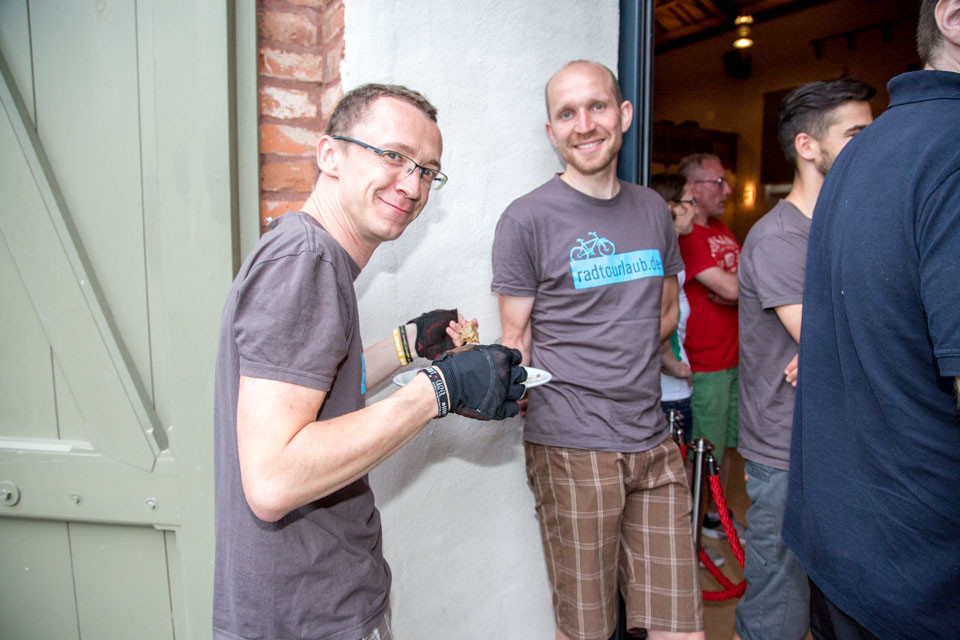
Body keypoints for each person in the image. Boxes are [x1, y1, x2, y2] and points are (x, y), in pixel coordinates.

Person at [212, 83, 526, 640]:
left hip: (318, 599)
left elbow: (313, 393)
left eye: (428, 171)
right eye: (393, 155)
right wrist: (439, 388)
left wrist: (407, 345)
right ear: (329, 155)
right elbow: (273, 479)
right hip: (309, 615)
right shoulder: (305, 261)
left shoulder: (312, 254)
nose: (412, 185)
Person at [491, 60, 704, 640]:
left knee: (681, 628)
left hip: (652, 438)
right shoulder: (526, 219)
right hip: (572, 445)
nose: (584, 124)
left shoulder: (653, 209)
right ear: (551, 131)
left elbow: (665, 310)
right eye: (567, 113)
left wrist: (622, 352)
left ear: (624, 114)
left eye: (597, 106)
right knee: (587, 629)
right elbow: (516, 337)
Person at [783, 1, 960, 637]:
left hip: (849, 539)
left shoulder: (860, 154)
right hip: (924, 564)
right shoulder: (949, 150)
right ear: (953, 17)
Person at [734, 78, 875, 640]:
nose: (873, 145)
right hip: (786, 448)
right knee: (779, 608)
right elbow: (836, 340)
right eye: (856, 134)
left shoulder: (852, 227)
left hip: (846, 438)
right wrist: (833, 343)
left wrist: (833, 344)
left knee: (839, 603)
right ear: (807, 146)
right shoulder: (778, 238)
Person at [676, 153, 741, 539]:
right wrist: (738, 291)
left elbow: (747, 283)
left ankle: (715, 516)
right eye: (718, 182)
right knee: (703, 452)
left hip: (734, 357)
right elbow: (733, 287)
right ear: (694, 189)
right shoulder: (688, 238)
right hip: (705, 364)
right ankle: (687, 537)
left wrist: (739, 290)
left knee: (728, 445)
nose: (727, 190)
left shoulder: (720, 228)